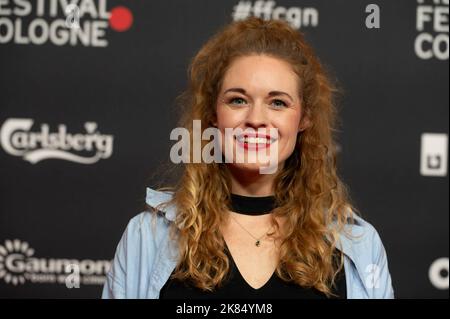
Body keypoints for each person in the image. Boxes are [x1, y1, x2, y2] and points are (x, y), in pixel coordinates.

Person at [102, 17, 394, 299]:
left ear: (304, 118)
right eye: (238, 100)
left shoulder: (359, 246)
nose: (256, 119)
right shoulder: (147, 238)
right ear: (213, 114)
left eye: (277, 102)